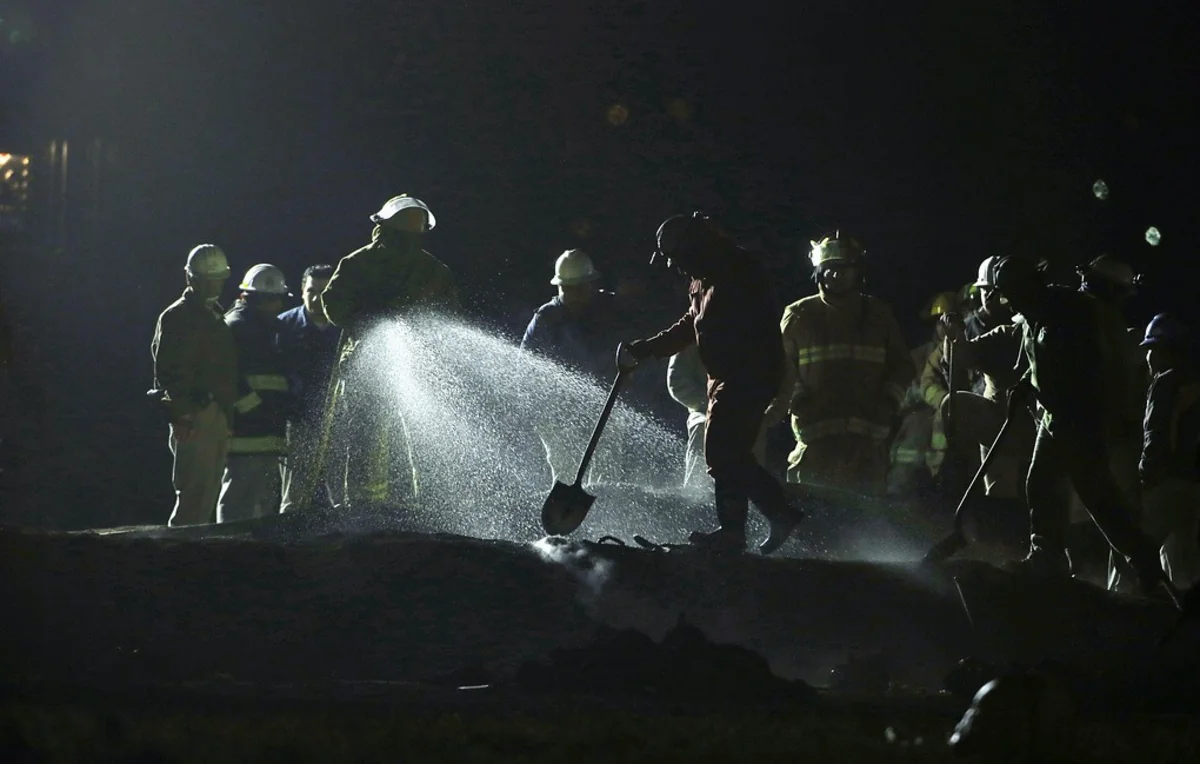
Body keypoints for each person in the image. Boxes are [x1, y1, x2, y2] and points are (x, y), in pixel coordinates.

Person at [947, 255, 1170, 596]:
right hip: (1057, 418)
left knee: (1097, 495)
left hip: (1082, 419)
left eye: (1011, 293)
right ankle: (1048, 560)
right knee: (1042, 484)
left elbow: (1085, 371)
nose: (1008, 301)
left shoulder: (1070, 313)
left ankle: (1145, 564)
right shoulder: (1039, 313)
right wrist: (1026, 380)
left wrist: (1054, 397)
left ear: (1029, 286)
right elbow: (1041, 358)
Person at [625, 212, 803, 555]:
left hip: (749, 375)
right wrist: (648, 348)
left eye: (679, 259)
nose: (677, 269)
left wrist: (752, 379)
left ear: (695, 248)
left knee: (722, 453)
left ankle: (750, 526)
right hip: (725, 378)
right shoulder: (702, 279)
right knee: (729, 454)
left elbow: (749, 329)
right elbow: (692, 323)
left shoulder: (739, 270)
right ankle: (761, 521)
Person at [320, 194, 459, 510]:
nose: (406, 241)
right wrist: (369, 322)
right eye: (401, 232)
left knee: (421, 436)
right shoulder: (357, 264)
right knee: (366, 437)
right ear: (384, 227)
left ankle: (423, 505)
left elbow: (449, 315)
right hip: (366, 365)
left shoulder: (434, 271)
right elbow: (334, 302)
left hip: (417, 366)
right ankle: (364, 506)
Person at [769, 233, 914, 497]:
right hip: (816, 436)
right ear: (819, 271)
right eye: (831, 270)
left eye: (844, 270)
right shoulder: (798, 314)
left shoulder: (879, 315)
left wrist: (888, 403)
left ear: (857, 273)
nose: (837, 276)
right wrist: (800, 403)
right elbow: (780, 367)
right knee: (811, 513)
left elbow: (902, 366)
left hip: (869, 436)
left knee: (867, 518)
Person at [149, 244, 238, 526]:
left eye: (219, 279)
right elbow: (170, 370)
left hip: (213, 411)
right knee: (193, 490)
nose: (215, 286)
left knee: (209, 487)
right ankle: (179, 553)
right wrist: (182, 415)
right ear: (190, 277)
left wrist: (226, 414)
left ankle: (195, 552)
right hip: (195, 414)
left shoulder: (213, 316)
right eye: (208, 279)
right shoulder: (178, 316)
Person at [521, 249, 626, 484]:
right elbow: (526, 368)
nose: (573, 294)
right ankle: (566, 518)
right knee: (565, 475)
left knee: (606, 477)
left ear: (590, 284)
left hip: (604, 407)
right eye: (567, 288)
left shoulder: (610, 310)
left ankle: (610, 515)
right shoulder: (545, 319)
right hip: (557, 414)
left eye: (578, 287)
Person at [217, 264, 292, 523]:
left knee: (264, 499)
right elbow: (224, 375)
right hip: (245, 427)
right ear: (248, 298)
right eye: (269, 300)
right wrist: (250, 406)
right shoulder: (235, 326)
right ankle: (228, 548)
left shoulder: (271, 328)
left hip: (268, 427)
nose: (275, 306)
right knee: (239, 495)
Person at [1138, 313, 1200, 589]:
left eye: (1151, 349)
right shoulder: (1194, 381)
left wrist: (1146, 475)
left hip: (1168, 480)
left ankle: (1123, 609)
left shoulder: (1166, 383)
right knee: (1182, 560)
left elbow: (1156, 434)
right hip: (1194, 483)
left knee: (1135, 553)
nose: (1148, 358)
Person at [277, 264, 341, 512]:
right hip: (298, 422)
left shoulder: (346, 326)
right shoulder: (284, 326)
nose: (316, 298)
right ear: (302, 290)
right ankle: (288, 545)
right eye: (312, 291)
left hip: (338, 422)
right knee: (294, 495)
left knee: (341, 495)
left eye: (324, 292)